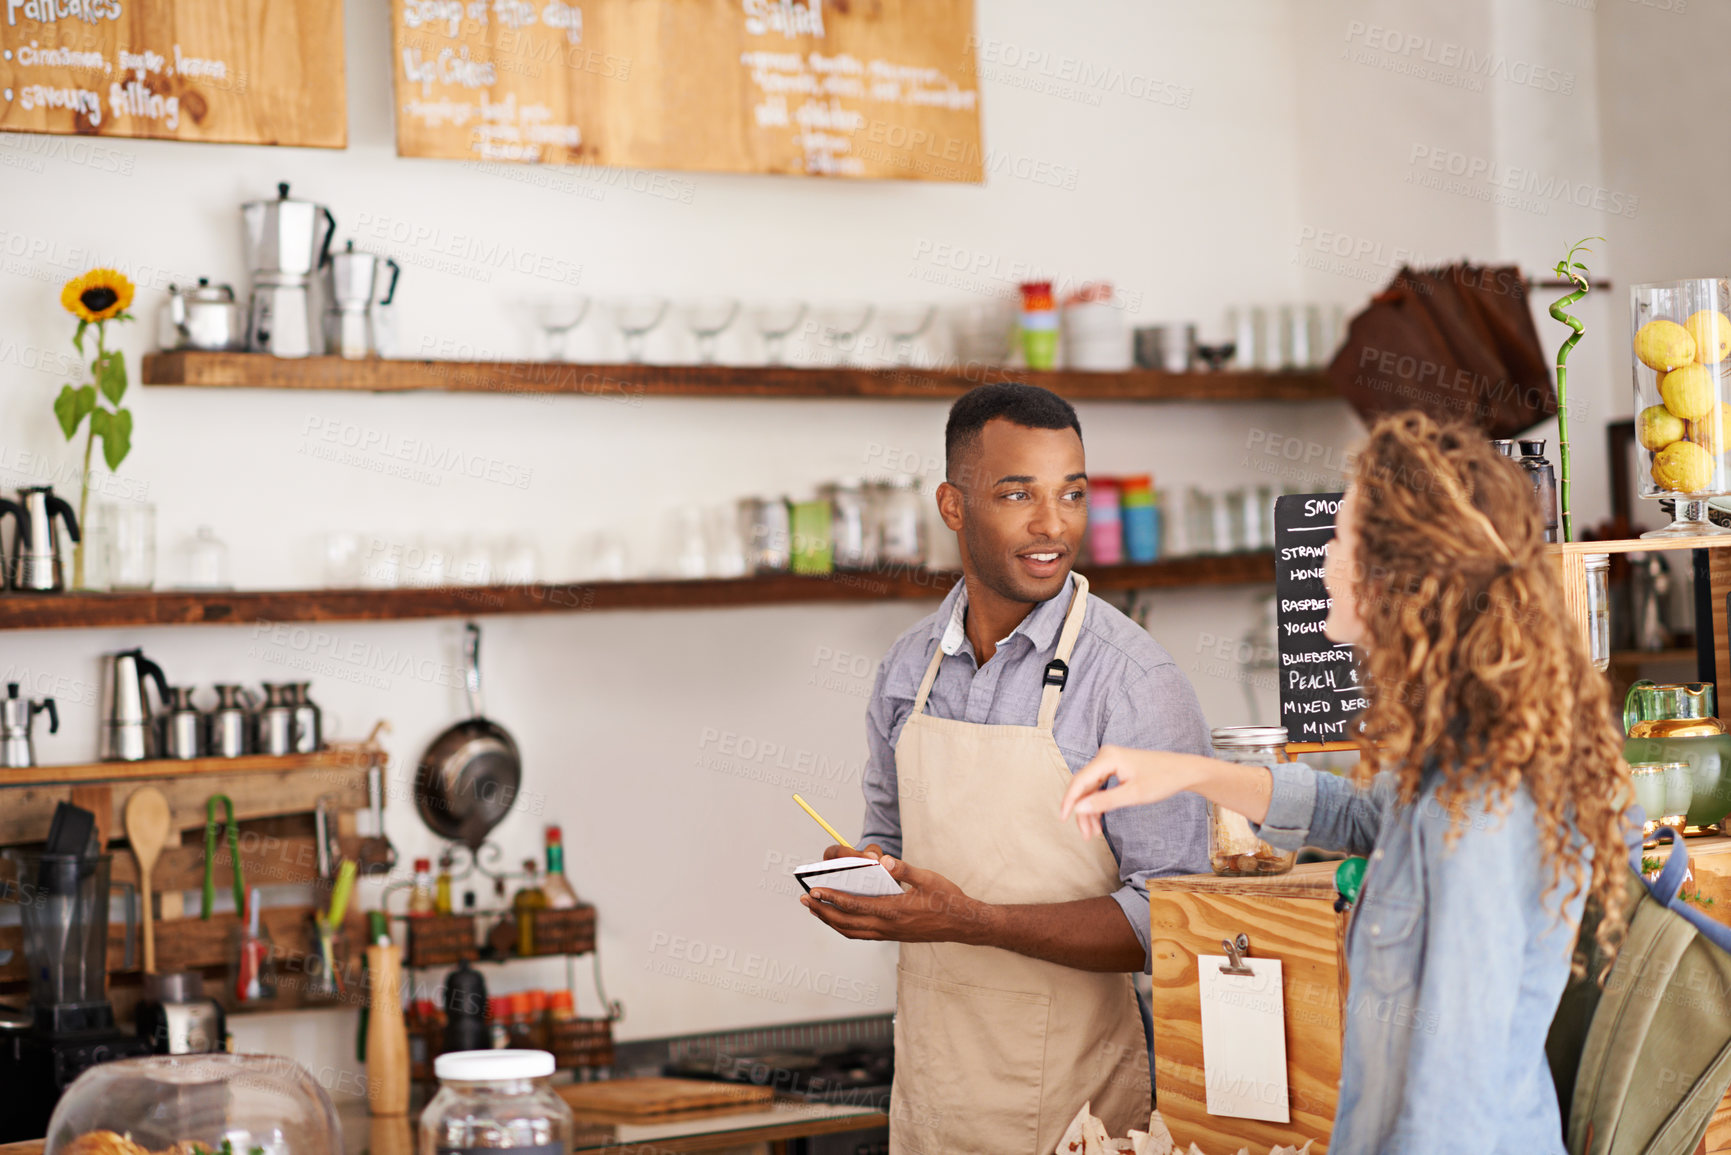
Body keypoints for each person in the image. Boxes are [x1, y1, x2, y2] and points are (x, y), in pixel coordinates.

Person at [1061, 412, 1629, 1154]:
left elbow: (1452, 1097)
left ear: (1398, 573)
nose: (1322, 559)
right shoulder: (1454, 761)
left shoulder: (1480, 799)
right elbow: (1361, 815)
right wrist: (1189, 772)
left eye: (1340, 538)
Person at [801, 382, 1212, 1155]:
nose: (1051, 524)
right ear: (952, 506)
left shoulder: (1133, 683)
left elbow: (1177, 921)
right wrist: (865, 879)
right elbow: (889, 839)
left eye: (1071, 493)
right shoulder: (905, 669)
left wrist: (972, 920)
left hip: (1078, 1115)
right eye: (1016, 493)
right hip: (931, 1100)